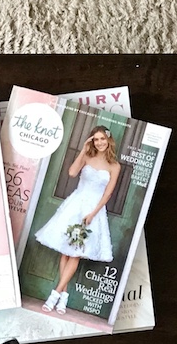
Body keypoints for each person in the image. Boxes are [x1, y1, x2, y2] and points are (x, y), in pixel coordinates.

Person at [32, 125, 121, 314]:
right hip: (75, 205)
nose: (99, 142)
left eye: (102, 139)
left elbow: (108, 194)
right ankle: (63, 297)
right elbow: (72, 173)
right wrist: (83, 150)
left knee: (75, 253)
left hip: (93, 210)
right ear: (92, 141)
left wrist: (93, 213)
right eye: (95, 139)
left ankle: (55, 294)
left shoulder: (114, 166)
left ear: (108, 140)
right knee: (65, 251)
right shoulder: (87, 156)